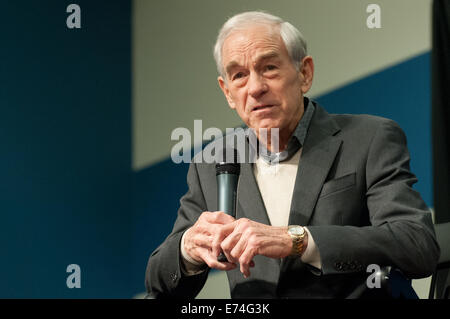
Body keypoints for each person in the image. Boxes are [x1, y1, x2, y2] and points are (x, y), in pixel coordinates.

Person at [145, 11, 440, 298]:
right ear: (227, 92)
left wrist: (298, 240)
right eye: (239, 75)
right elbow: (158, 285)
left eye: (269, 68)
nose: (256, 88)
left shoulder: (368, 138)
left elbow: (416, 244)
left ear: (304, 73)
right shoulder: (212, 162)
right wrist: (187, 249)